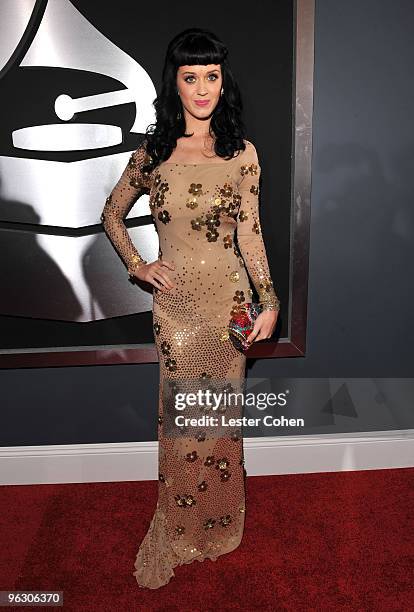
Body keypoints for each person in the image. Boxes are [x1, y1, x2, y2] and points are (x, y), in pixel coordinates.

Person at [101, 27, 280, 589]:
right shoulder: (152, 153)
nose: (202, 89)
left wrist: (269, 299)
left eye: (211, 77)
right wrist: (139, 265)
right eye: (190, 77)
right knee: (183, 422)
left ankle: (220, 523)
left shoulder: (241, 154)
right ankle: (178, 524)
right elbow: (111, 213)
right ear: (174, 83)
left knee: (221, 419)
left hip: (231, 305)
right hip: (176, 310)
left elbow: (249, 235)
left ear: (221, 82)